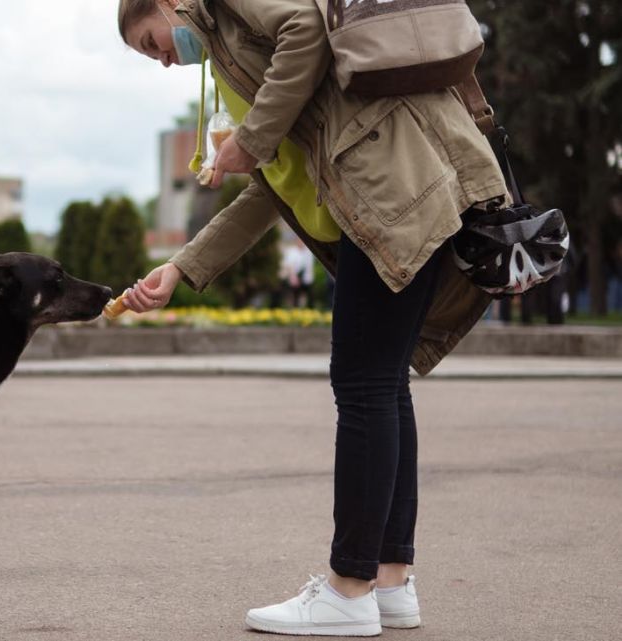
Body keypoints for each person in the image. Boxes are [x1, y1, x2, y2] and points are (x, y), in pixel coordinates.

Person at [118, 0, 508, 635]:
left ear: (166, 4)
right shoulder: (229, 66)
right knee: (382, 388)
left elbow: (303, 25)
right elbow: (273, 183)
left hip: (394, 187)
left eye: (152, 42)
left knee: (362, 388)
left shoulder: (226, 10)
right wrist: (184, 268)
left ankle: (347, 590)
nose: (164, 60)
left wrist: (249, 138)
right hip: (398, 188)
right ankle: (388, 582)